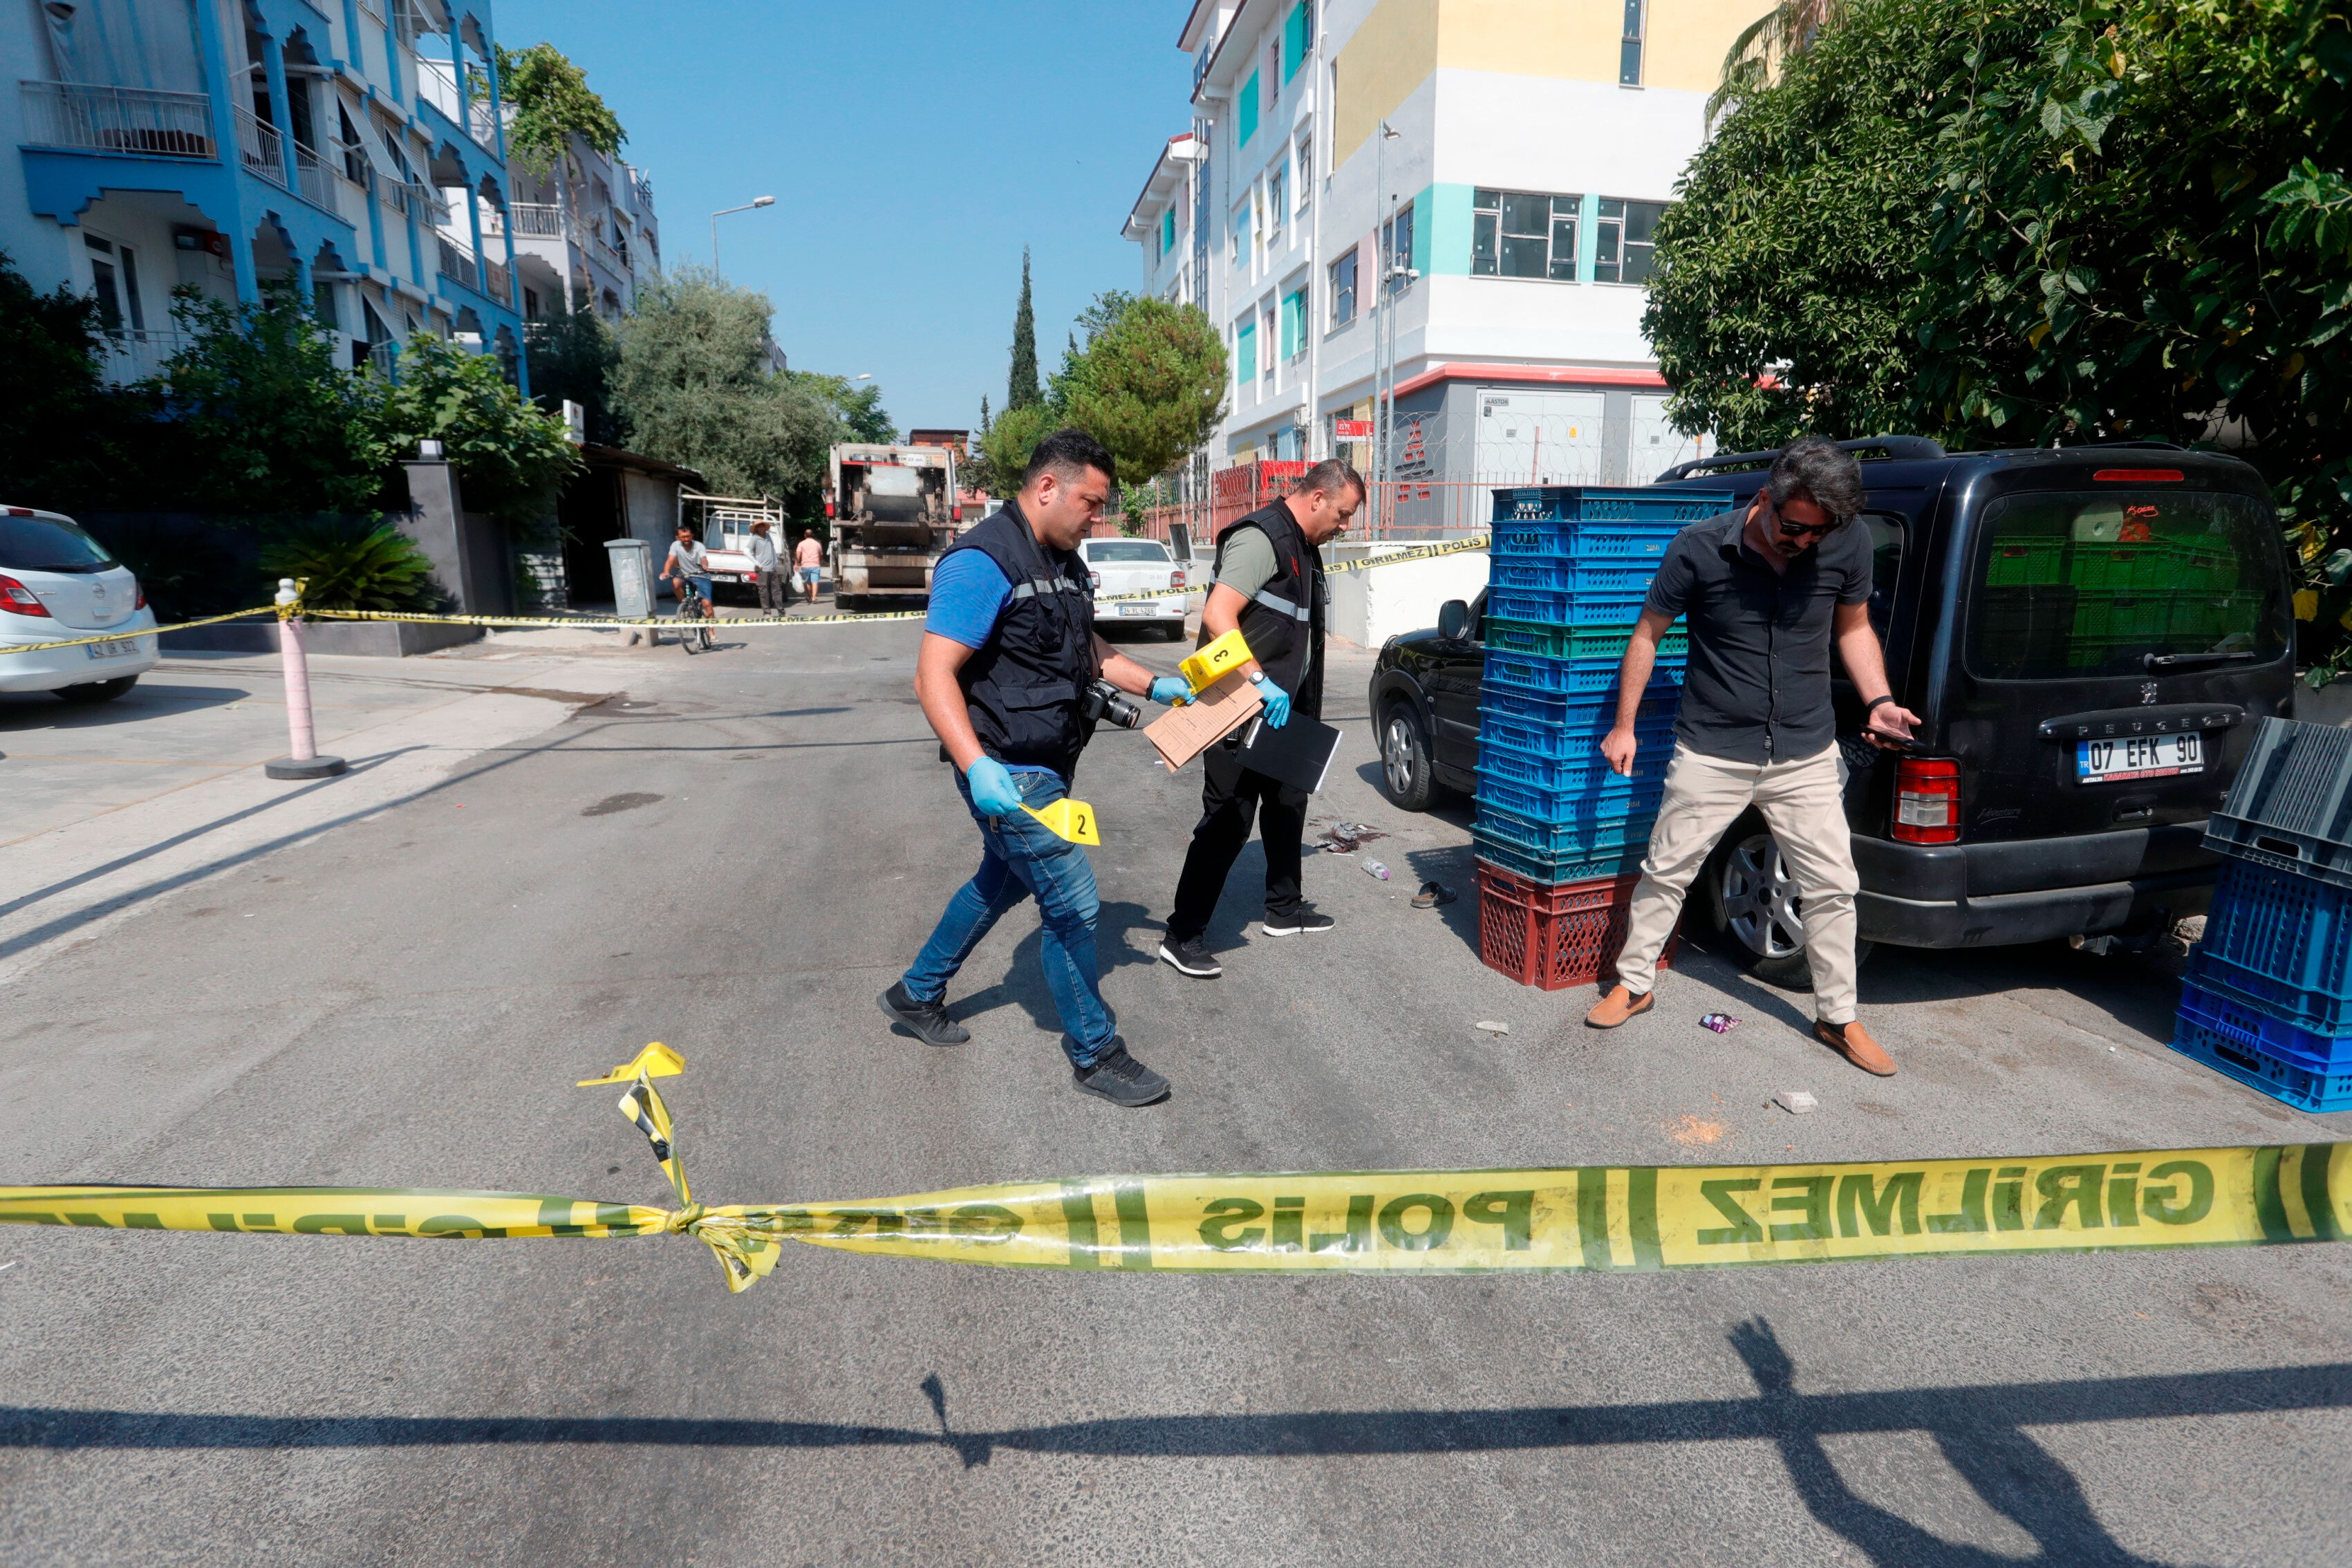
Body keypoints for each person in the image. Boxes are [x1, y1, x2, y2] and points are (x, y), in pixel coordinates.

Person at [1584, 436, 1919, 1076]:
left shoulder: (1844, 542)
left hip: (1805, 749)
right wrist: (1623, 726)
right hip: (1713, 746)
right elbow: (1647, 635)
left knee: (1833, 887)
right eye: (1795, 528)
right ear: (1765, 500)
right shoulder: (1700, 548)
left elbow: (1853, 628)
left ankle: (1839, 1017)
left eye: (1820, 533)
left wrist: (1878, 700)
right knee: (1667, 869)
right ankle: (1634, 983)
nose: (1806, 542)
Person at [879, 429, 1195, 1108]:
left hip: (1049, 761)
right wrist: (976, 765)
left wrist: (1154, 684)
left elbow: (1091, 649)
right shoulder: (983, 562)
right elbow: (932, 677)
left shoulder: (1064, 560)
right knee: (1074, 905)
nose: (1096, 517)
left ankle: (916, 992)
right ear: (1047, 487)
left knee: (1001, 881)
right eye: (1090, 502)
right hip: (1008, 770)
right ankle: (1095, 1052)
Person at [1157, 458, 1362, 980]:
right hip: (1241, 705)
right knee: (1228, 818)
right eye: (1342, 514)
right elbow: (1218, 615)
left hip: (1284, 708)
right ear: (1316, 498)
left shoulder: (1304, 545)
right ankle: (1183, 936)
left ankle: (1284, 909)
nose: (1345, 527)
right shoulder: (1262, 537)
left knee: (1288, 800)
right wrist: (1257, 681)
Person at [663, 525, 712, 621]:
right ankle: (685, 606)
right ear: (677, 538)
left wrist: (705, 565)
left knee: (707, 605)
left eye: (688, 536)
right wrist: (666, 572)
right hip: (685, 575)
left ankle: (711, 631)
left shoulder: (699, 546)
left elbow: (704, 559)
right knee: (675, 582)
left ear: (692, 536)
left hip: (700, 576)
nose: (686, 539)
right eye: (683, 537)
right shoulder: (675, 545)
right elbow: (670, 560)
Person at [748, 519, 785, 617]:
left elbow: (772, 549)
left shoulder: (768, 536)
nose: (761, 528)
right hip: (762, 570)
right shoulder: (755, 538)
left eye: (762, 526)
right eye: (759, 527)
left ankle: (782, 613)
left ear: (764, 527)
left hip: (772, 568)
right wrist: (757, 563)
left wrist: (775, 562)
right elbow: (746, 551)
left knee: (777, 591)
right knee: (764, 592)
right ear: (756, 529)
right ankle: (767, 613)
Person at [794, 530, 824, 606]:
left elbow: (798, 554)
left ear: (805, 535)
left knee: (808, 582)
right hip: (815, 565)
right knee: (815, 582)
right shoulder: (817, 544)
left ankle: (810, 597)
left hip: (805, 566)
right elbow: (821, 554)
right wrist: (820, 561)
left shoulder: (801, 544)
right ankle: (814, 598)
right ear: (812, 535)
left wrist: (796, 564)